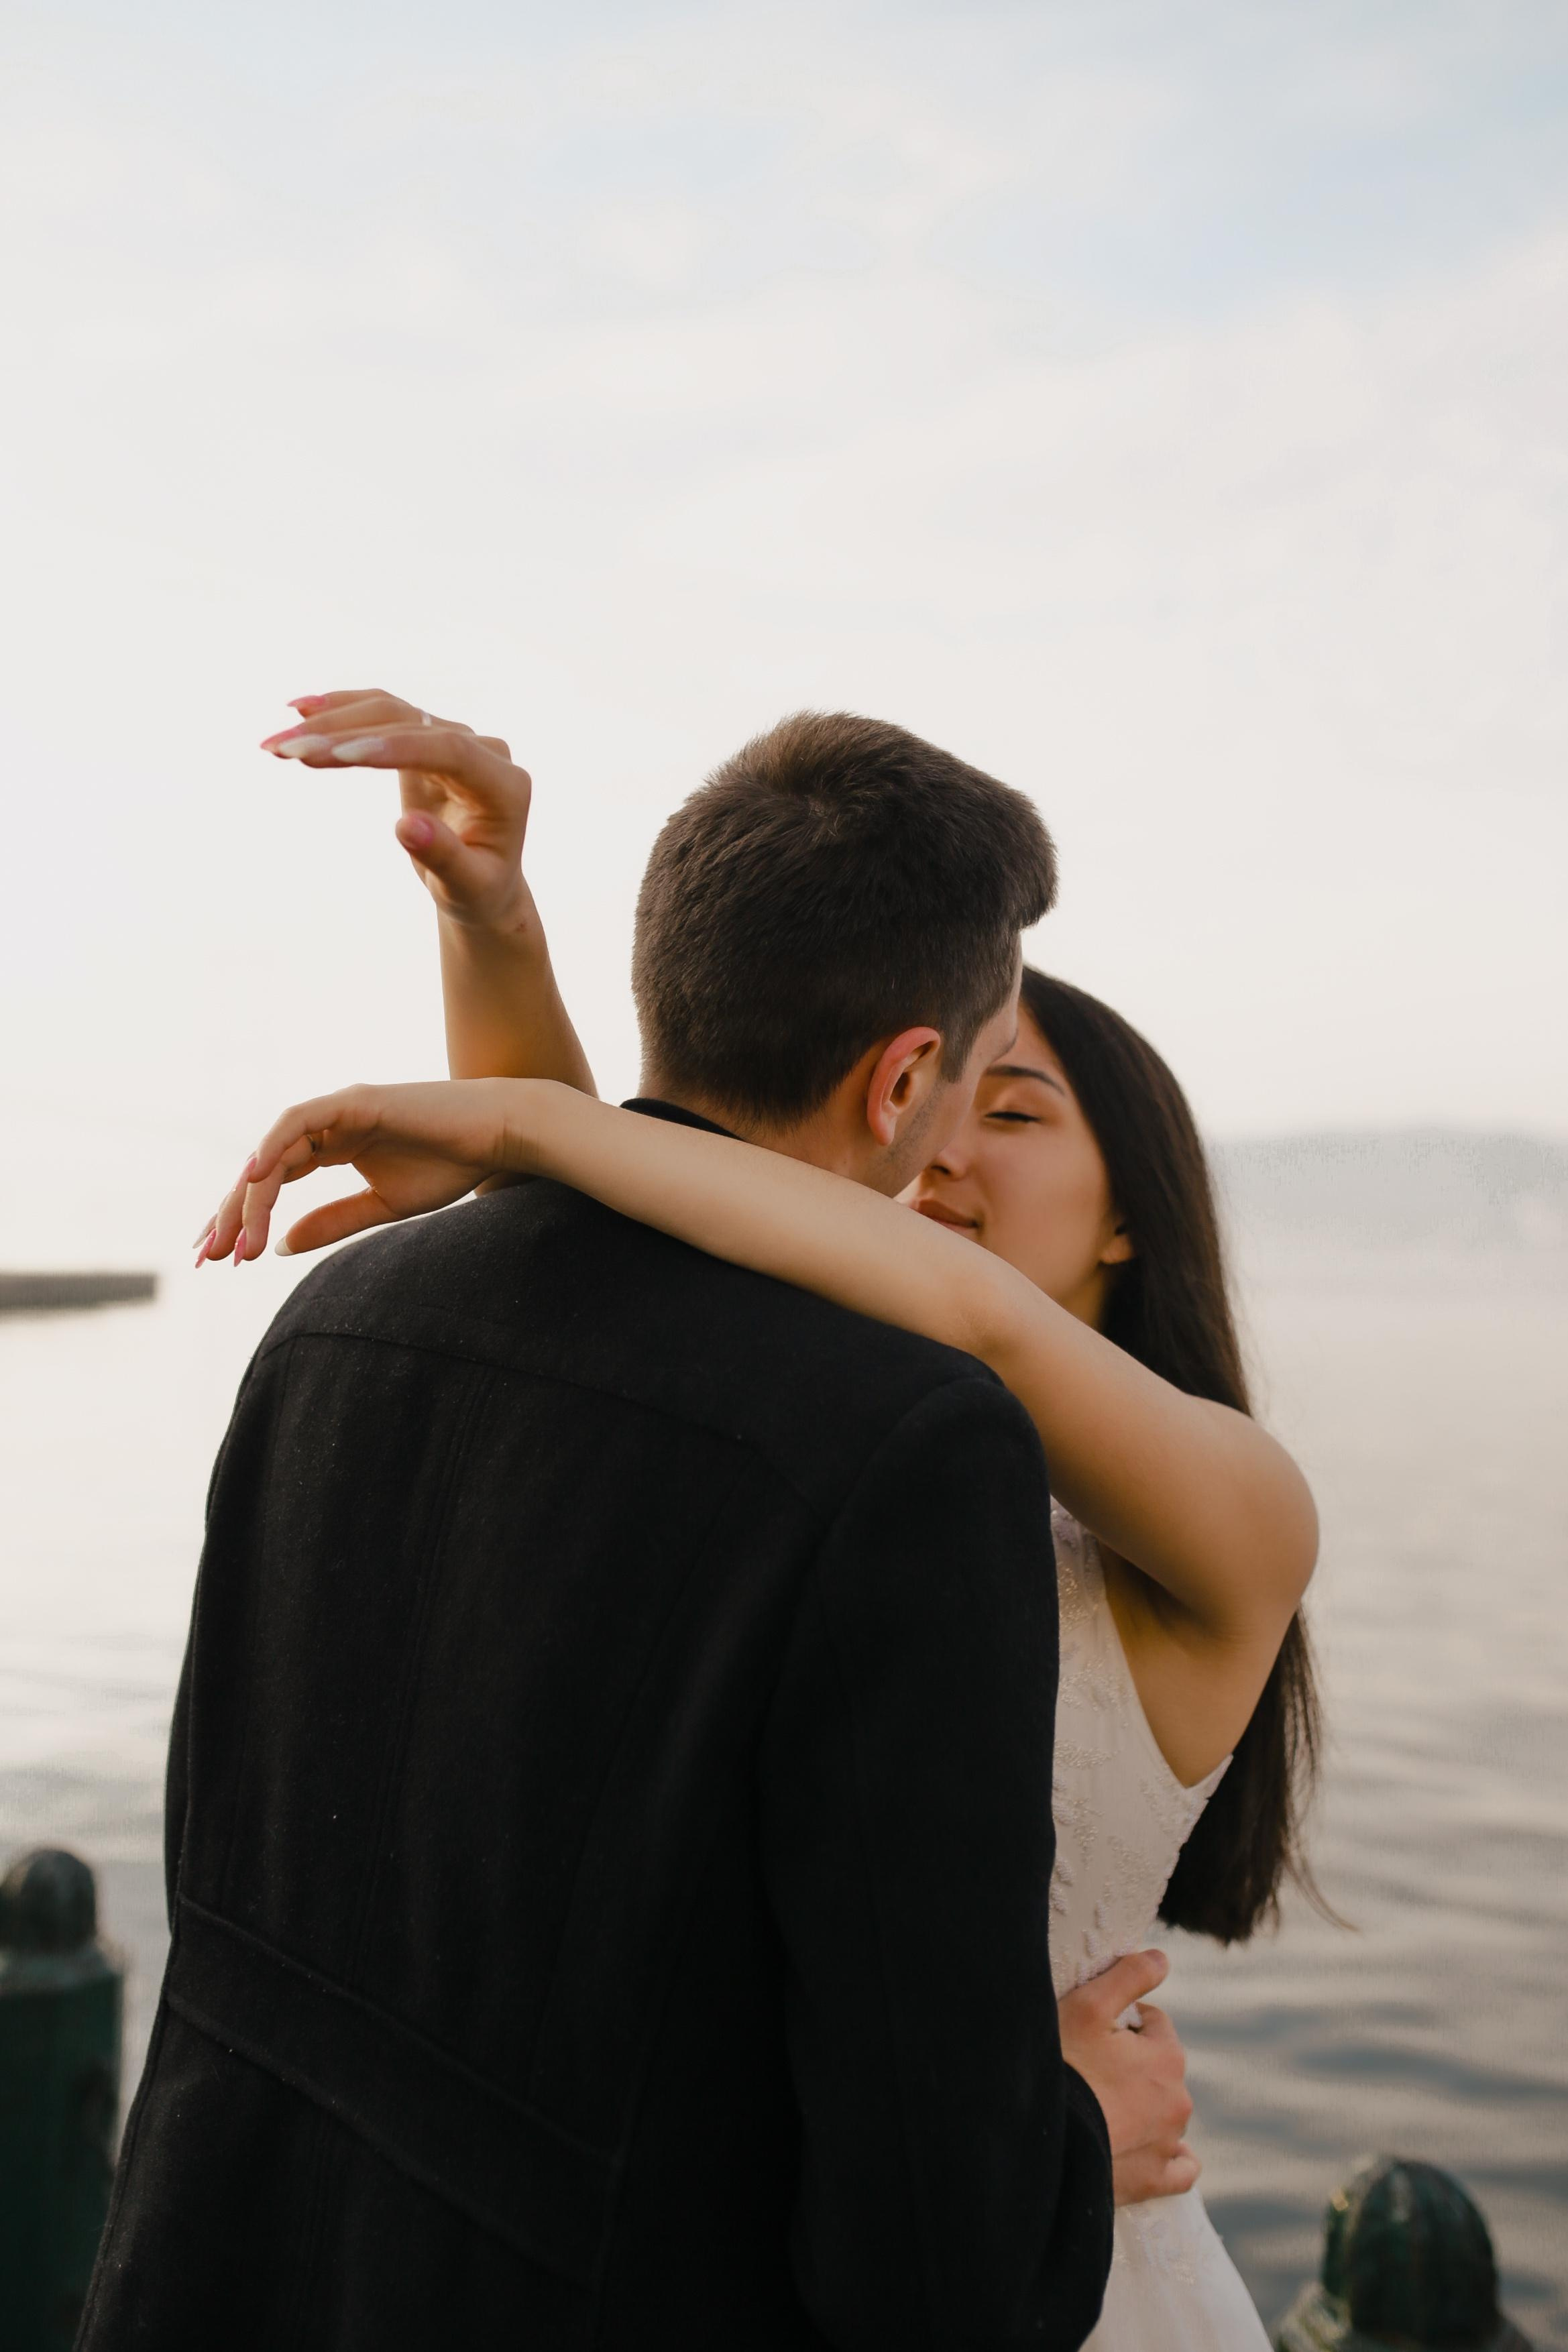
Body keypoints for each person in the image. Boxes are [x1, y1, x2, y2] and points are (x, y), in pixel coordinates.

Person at [199, 688, 1326, 2347]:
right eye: (964, 1092)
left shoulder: (1227, 1497)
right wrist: (501, 949)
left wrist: (535, 1124)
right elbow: (635, 1289)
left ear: (1131, 1224)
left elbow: (943, 1306)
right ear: (903, 1082)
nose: (952, 1151)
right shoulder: (842, 1415)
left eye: (1015, 1113)